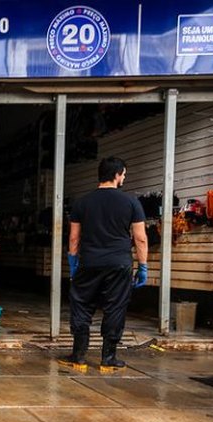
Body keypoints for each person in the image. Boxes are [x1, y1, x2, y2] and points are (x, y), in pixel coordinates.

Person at [61, 156, 148, 371]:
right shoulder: (131, 203)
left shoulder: (82, 202)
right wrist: (143, 266)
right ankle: (108, 359)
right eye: (124, 175)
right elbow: (140, 238)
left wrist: (73, 262)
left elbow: (74, 238)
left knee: (81, 305)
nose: (124, 178)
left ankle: (79, 356)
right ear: (117, 175)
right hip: (119, 264)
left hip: (89, 262)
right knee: (115, 307)